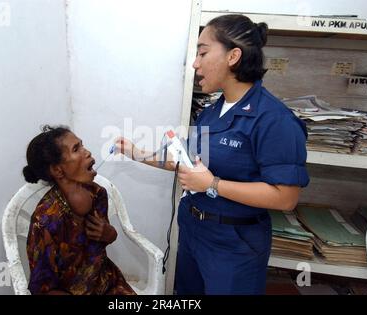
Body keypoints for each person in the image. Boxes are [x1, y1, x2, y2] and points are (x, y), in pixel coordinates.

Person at [114, 14, 309, 294]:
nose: (195, 63)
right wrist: (137, 153)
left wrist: (212, 185)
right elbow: (188, 163)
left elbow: (286, 198)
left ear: (233, 56)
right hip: (194, 230)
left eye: (203, 52)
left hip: (235, 242)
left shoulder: (275, 120)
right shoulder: (211, 113)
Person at [23, 125, 135, 295]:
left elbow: (101, 244)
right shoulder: (45, 222)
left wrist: (110, 234)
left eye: (82, 145)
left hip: (108, 283)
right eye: (76, 149)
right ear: (58, 170)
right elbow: (43, 290)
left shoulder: (98, 194)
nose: (87, 152)